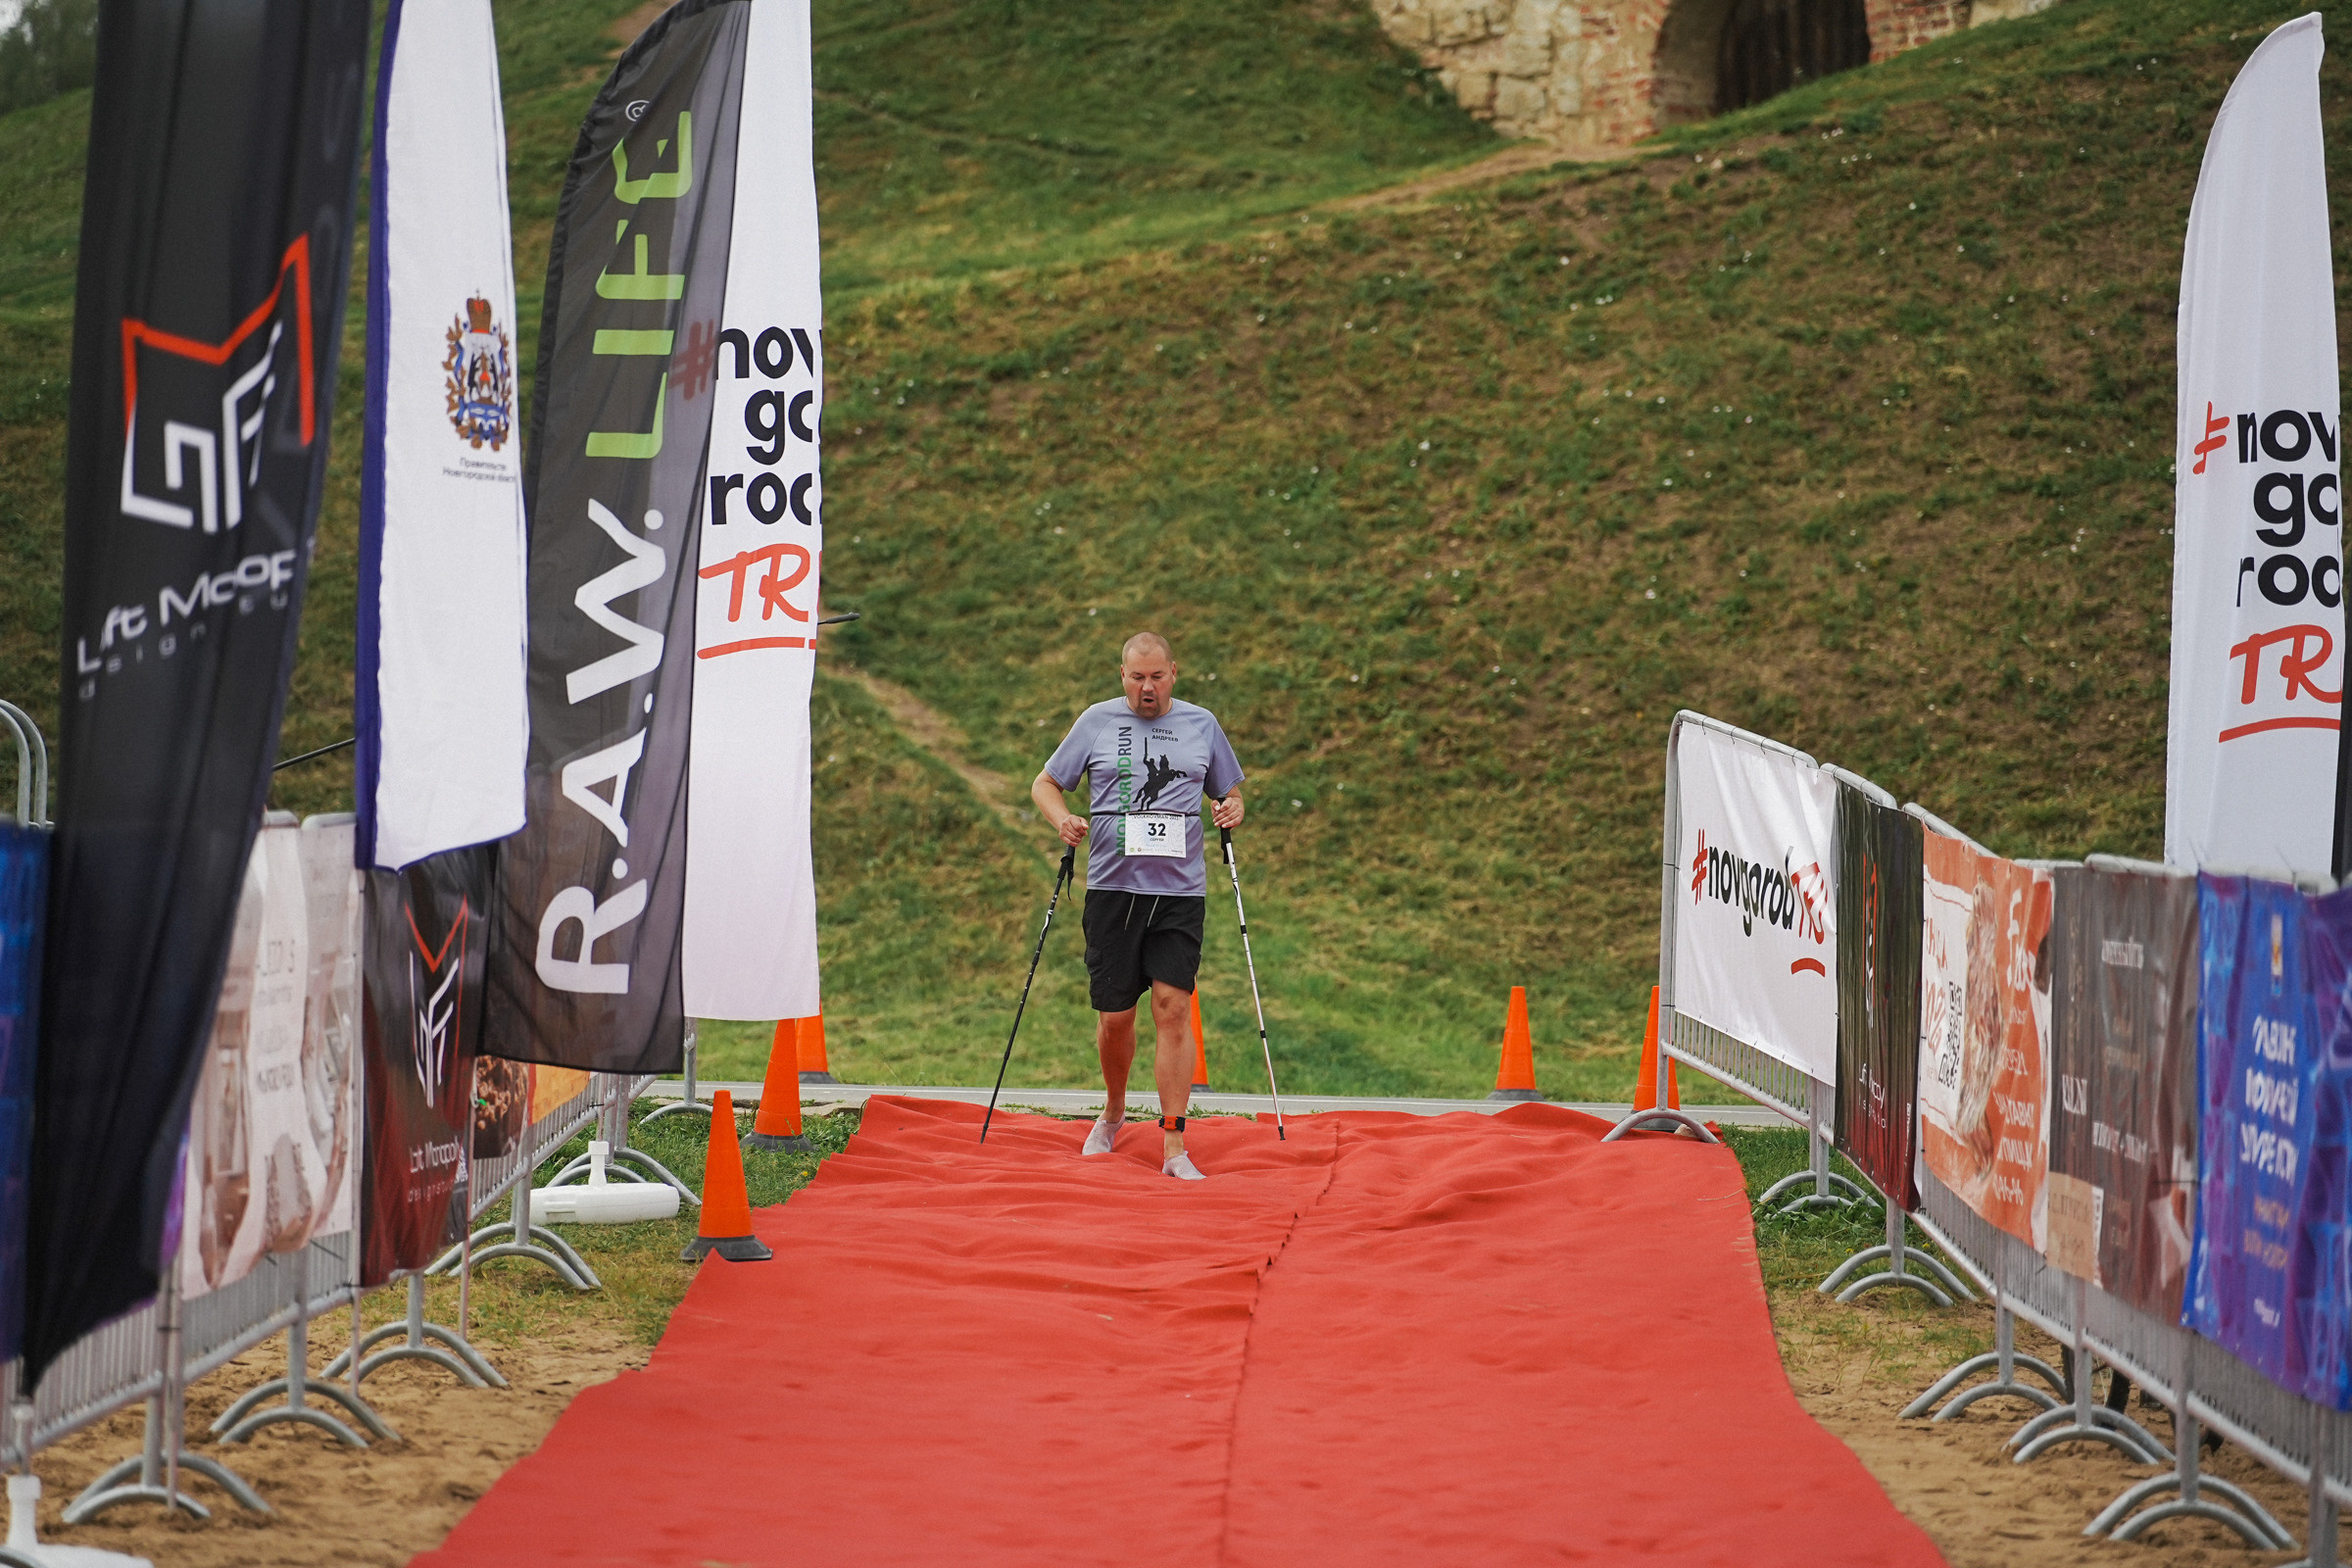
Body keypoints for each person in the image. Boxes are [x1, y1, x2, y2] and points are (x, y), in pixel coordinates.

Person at [1032, 632, 1244, 1180]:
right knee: (1115, 1018)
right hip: (1112, 890)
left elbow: (1230, 791)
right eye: (1136, 677)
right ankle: (1114, 1110)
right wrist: (1064, 820)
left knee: (1173, 1007)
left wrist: (1230, 809)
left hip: (1178, 893)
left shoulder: (1202, 724)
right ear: (1121, 674)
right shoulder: (1096, 721)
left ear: (1174, 672)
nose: (1146, 688)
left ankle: (1174, 1145)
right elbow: (1047, 783)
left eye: (1156, 677)